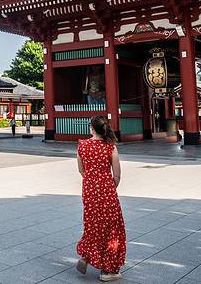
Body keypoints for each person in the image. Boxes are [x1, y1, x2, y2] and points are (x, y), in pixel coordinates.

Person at [76, 116, 126, 282]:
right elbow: (117, 175)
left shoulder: (82, 146)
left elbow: (81, 170)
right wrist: (109, 189)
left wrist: (92, 182)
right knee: (112, 229)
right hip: (107, 192)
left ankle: (87, 255)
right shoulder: (110, 147)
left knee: (92, 225)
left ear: (91, 128)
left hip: (89, 191)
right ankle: (108, 270)